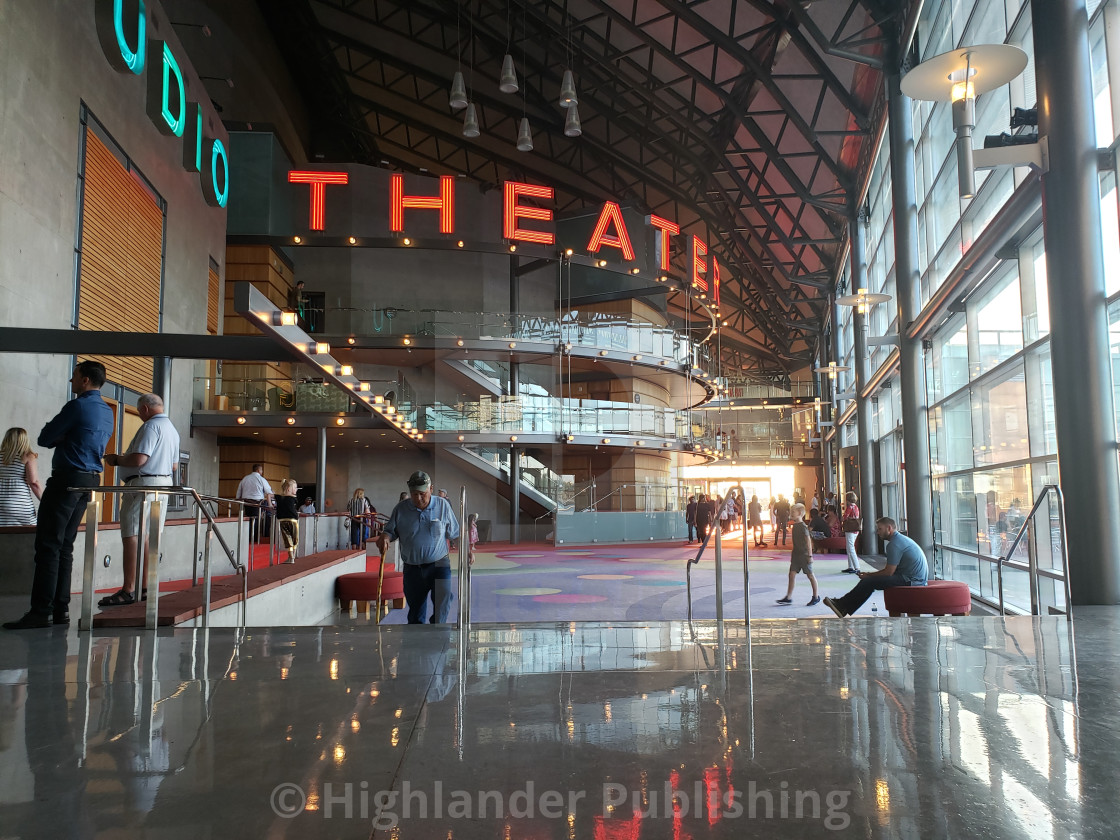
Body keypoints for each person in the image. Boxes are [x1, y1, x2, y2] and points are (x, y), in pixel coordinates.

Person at [5, 362, 114, 629]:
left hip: (67, 479)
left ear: (85, 380)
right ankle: (60, 609)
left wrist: (64, 436)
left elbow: (44, 437)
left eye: (75, 376)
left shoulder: (76, 406)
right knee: (65, 546)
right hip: (89, 481)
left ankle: (41, 611)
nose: (70, 380)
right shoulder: (106, 412)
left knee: (48, 546)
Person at [98, 394, 180, 607]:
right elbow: (173, 466)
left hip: (143, 485)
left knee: (132, 534)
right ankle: (145, 587)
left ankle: (128, 589)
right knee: (149, 537)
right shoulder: (172, 429)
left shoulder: (151, 427)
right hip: (162, 486)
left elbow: (139, 458)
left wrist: (116, 459)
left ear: (144, 409)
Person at [376, 471, 460, 624]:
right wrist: (385, 537)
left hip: (439, 564)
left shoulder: (443, 505)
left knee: (443, 601)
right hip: (412, 567)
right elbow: (389, 531)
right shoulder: (401, 509)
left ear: (431, 489)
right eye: (414, 494)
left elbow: (455, 533)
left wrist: (467, 551)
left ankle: (437, 635)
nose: (419, 498)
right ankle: (416, 643)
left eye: (423, 494)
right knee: (415, 612)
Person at [824, 517, 928, 617]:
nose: (878, 532)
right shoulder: (900, 540)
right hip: (914, 577)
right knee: (870, 581)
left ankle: (842, 606)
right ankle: (843, 606)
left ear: (889, 528)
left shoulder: (894, 544)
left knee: (869, 582)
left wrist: (868, 575)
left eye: (880, 529)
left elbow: (889, 572)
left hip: (912, 580)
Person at [777, 504, 820, 607]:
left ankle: (816, 596)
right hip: (796, 555)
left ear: (800, 514)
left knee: (810, 575)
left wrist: (810, 555)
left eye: (793, 512)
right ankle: (788, 597)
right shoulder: (795, 526)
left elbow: (808, 541)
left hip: (804, 555)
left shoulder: (803, 527)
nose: (791, 514)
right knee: (791, 574)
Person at [0, 427, 42, 525]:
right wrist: (45, 501)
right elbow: (33, 482)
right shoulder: (28, 456)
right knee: (29, 535)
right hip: (19, 503)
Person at [236, 464, 273, 543]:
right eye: (261, 470)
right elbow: (268, 492)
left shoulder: (245, 478)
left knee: (248, 519)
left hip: (246, 502)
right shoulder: (261, 479)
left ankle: (247, 538)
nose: (262, 472)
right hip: (257, 503)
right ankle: (254, 539)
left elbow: (239, 491)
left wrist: (238, 500)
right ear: (258, 470)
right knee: (256, 520)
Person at [842, 491, 861, 573]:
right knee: (850, 547)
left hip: (850, 529)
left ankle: (856, 567)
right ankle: (851, 566)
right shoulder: (856, 507)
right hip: (855, 529)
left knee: (850, 548)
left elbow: (845, 517)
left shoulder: (849, 507)